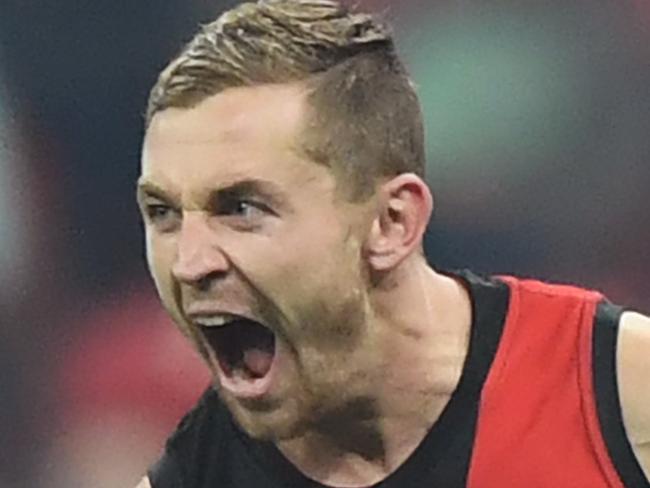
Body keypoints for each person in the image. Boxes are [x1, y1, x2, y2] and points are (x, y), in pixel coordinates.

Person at [133, 1, 650, 486]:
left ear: (392, 222)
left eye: (241, 208)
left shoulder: (619, 391)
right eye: (163, 213)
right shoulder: (198, 474)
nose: (188, 262)